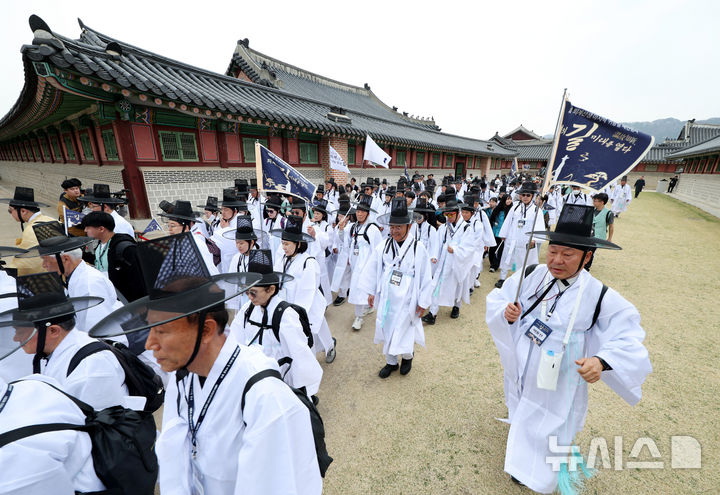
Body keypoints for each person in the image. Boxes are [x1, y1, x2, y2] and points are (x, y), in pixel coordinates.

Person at [87, 232, 322, 495]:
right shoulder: (182, 378)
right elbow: (173, 459)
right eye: (150, 329)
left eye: (162, 331)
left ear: (207, 330)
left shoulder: (264, 397)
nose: (150, 343)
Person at [485, 204, 651, 493]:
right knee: (523, 405)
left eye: (568, 254)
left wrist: (601, 360)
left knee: (554, 418)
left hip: (561, 369)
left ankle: (541, 474)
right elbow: (500, 298)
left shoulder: (599, 294)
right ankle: (521, 459)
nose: (557, 260)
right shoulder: (533, 274)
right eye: (553, 251)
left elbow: (629, 334)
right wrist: (507, 313)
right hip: (526, 356)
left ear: (587, 256)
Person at [2, 271, 143, 410]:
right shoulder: (54, 353)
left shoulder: (90, 369)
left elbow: (104, 421)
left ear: (53, 331)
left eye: (21, 332)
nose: (15, 338)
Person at [230, 249, 324, 393]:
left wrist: (303, 392)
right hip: (254, 379)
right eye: (247, 292)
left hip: (280, 382)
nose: (249, 297)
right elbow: (235, 339)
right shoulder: (247, 310)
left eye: (253, 293)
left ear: (271, 289)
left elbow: (299, 356)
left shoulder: (285, 316)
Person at [361, 198, 432, 378]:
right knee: (387, 327)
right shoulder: (384, 245)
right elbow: (373, 267)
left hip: (408, 296)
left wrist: (423, 302)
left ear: (409, 226)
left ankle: (407, 356)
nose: (394, 231)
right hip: (388, 296)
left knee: (404, 329)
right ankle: (391, 361)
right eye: (392, 227)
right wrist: (371, 291)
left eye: (398, 227)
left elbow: (426, 276)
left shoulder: (418, 248)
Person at [17, 221, 124, 338]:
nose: (44, 265)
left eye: (46, 260)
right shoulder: (72, 277)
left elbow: (97, 328)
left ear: (65, 259)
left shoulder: (89, 282)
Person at [272, 216, 336, 367]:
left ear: (298, 244)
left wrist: (297, 311)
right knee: (306, 335)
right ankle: (308, 363)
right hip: (289, 304)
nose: (283, 247)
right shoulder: (282, 259)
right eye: (282, 243)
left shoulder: (309, 262)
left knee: (315, 329)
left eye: (287, 244)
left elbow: (308, 291)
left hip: (308, 305)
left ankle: (329, 347)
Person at [422, 198, 475, 324]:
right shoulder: (444, 227)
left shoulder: (466, 228)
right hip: (444, 262)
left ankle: (456, 306)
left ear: (457, 213)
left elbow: (469, 248)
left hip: (458, 262)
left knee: (458, 285)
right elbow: (437, 243)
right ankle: (432, 313)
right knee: (437, 285)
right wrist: (434, 256)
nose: (448, 217)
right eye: (446, 215)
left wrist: (455, 250)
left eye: (451, 215)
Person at [81, 211, 147, 303]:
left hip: (128, 301)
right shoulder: (100, 244)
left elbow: (137, 279)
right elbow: (99, 260)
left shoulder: (124, 248)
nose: (85, 230)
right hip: (111, 298)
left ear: (101, 229)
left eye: (88, 227)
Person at [495, 182, 545, 288]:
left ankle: (520, 281)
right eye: (523, 195)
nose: (525, 197)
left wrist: (534, 239)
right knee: (507, 258)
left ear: (532, 196)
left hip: (526, 241)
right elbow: (508, 221)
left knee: (524, 261)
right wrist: (504, 234)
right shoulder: (515, 207)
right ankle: (502, 278)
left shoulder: (537, 211)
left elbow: (539, 226)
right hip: (512, 238)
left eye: (528, 195)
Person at [344, 194, 383, 330]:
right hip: (356, 264)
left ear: (368, 213)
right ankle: (368, 306)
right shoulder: (354, 227)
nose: (359, 214)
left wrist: (374, 266)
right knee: (361, 289)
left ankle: (359, 317)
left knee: (360, 290)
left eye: (362, 212)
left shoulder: (372, 229)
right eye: (358, 211)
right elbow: (346, 241)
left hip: (366, 265)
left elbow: (378, 249)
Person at [0, 187, 53, 276]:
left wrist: (7, 274)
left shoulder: (31, 230)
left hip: (46, 278)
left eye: (10, 211)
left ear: (23, 211)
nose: (10, 214)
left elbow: (26, 264)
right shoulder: (51, 219)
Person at [161, 200, 219, 275]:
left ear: (186, 227)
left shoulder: (197, 243)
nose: (170, 229)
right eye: (168, 226)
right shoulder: (176, 243)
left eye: (173, 226)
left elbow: (210, 270)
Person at [223, 216, 260, 313]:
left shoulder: (260, 257)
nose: (238, 246)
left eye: (241, 243)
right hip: (241, 298)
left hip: (256, 300)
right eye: (237, 243)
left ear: (251, 242)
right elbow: (231, 281)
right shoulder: (237, 258)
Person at [211, 188, 248, 272]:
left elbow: (233, 243)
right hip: (224, 262)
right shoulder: (222, 222)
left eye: (226, 210)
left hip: (238, 262)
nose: (223, 212)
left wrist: (226, 229)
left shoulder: (242, 221)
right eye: (222, 209)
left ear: (235, 211)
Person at [488, 194, 512, 273]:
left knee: (500, 250)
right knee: (492, 249)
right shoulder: (498, 209)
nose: (509, 201)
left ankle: (494, 266)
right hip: (495, 232)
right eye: (507, 199)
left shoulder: (511, 210)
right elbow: (491, 219)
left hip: (504, 234)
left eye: (510, 199)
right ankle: (492, 262)